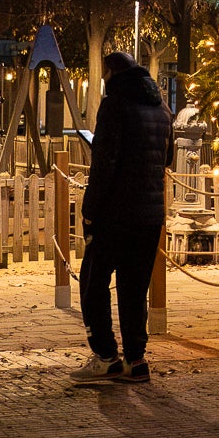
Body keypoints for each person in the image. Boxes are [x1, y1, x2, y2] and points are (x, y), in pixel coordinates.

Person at [71, 51, 170, 384]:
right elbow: (166, 157)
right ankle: (136, 361)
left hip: (115, 213)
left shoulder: (114, 105)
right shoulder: (161, 108)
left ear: (112, 73)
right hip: (150, 214)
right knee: (133, 288)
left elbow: (104, 166)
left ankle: (105, 355)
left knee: (93, 281)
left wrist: (89, 212)